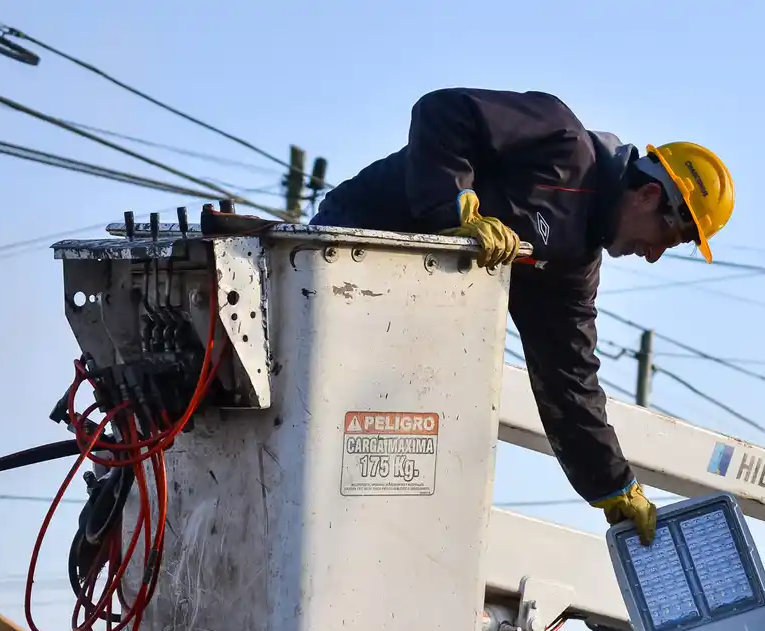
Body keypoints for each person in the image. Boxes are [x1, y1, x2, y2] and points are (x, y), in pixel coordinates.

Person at [310, 88, 735, 544]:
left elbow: (567, 379)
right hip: (340, 258)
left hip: (400, 320)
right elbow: (443, 111)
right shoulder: (559, 140)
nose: (651, 256)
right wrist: (455, 206)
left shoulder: (573, 265)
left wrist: (614, 484)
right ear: (649, 195)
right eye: (664, 240)